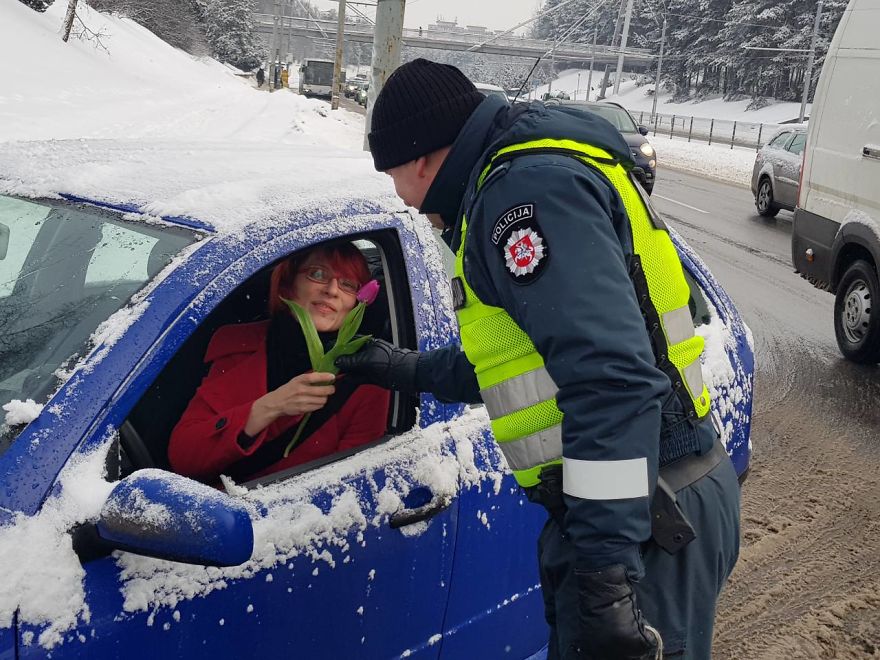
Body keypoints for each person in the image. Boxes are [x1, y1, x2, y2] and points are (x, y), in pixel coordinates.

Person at [336, 59, 741, 659]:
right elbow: (528, 366)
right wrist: (403, 369)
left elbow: (614, 383)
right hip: (646, 506)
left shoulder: (522, 195)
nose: (401, 196)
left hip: (646, 525)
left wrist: (606, 575)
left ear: (420, 157)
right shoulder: (523, 175)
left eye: (392, 173)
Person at [169, 243, 390, 484]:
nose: (332, 290)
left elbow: (350, 489)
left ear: (357, 304)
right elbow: (183, 457)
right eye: (317, 274)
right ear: (288, 284)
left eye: (348, 284)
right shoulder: (238, 345)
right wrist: (270, 407)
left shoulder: (366, 379)